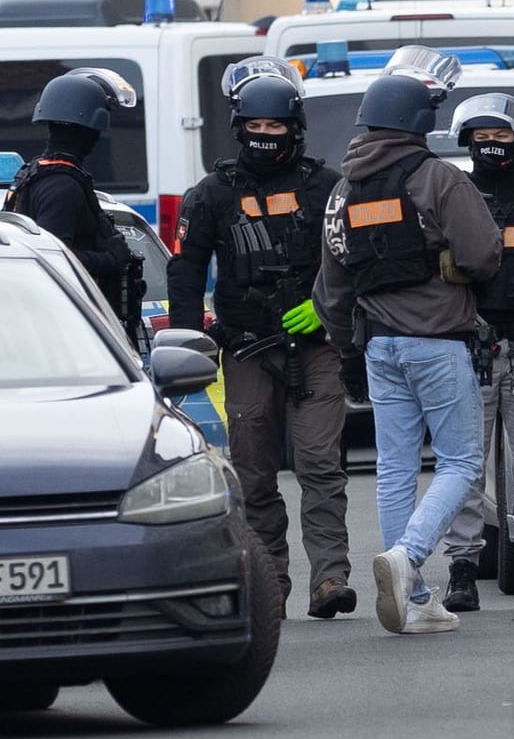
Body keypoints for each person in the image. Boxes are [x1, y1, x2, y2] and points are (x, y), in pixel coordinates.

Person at [312, 54, 502, 636]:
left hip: (379, 348)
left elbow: (331, 287)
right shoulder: (438, 177)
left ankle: (415, 598)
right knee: (463, 459)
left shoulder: (343, 191)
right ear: (421, 122)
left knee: (395, 468)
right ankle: (409, 558)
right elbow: (483, 254)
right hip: (439, 344)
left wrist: (347, 348)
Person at [168, 58, 353, 621]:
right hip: (246, 348)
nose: (265, 137)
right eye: (256, 127)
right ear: (238, 126)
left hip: (317, 348)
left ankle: (331, 578)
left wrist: (323, 310)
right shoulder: (211, 195)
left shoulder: (327, 187)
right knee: (253, 471)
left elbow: (354, 260)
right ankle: (270, 578)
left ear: (294, 128)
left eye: (276, 128)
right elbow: (185, 271)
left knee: (321, 463)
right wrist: (183, 343)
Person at [440, 94, 514, 612]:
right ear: (467, 141)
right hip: (470, 346)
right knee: (465, 467)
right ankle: (463, 570)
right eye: (483, 137)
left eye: (503, 137)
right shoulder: (452, 195)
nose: (493, 146)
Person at [5, 68, 140, 337]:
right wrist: (110, 259)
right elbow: (53, 259)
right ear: (91, 125)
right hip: (68, 326)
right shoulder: (62, 185)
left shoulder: (37, 174)